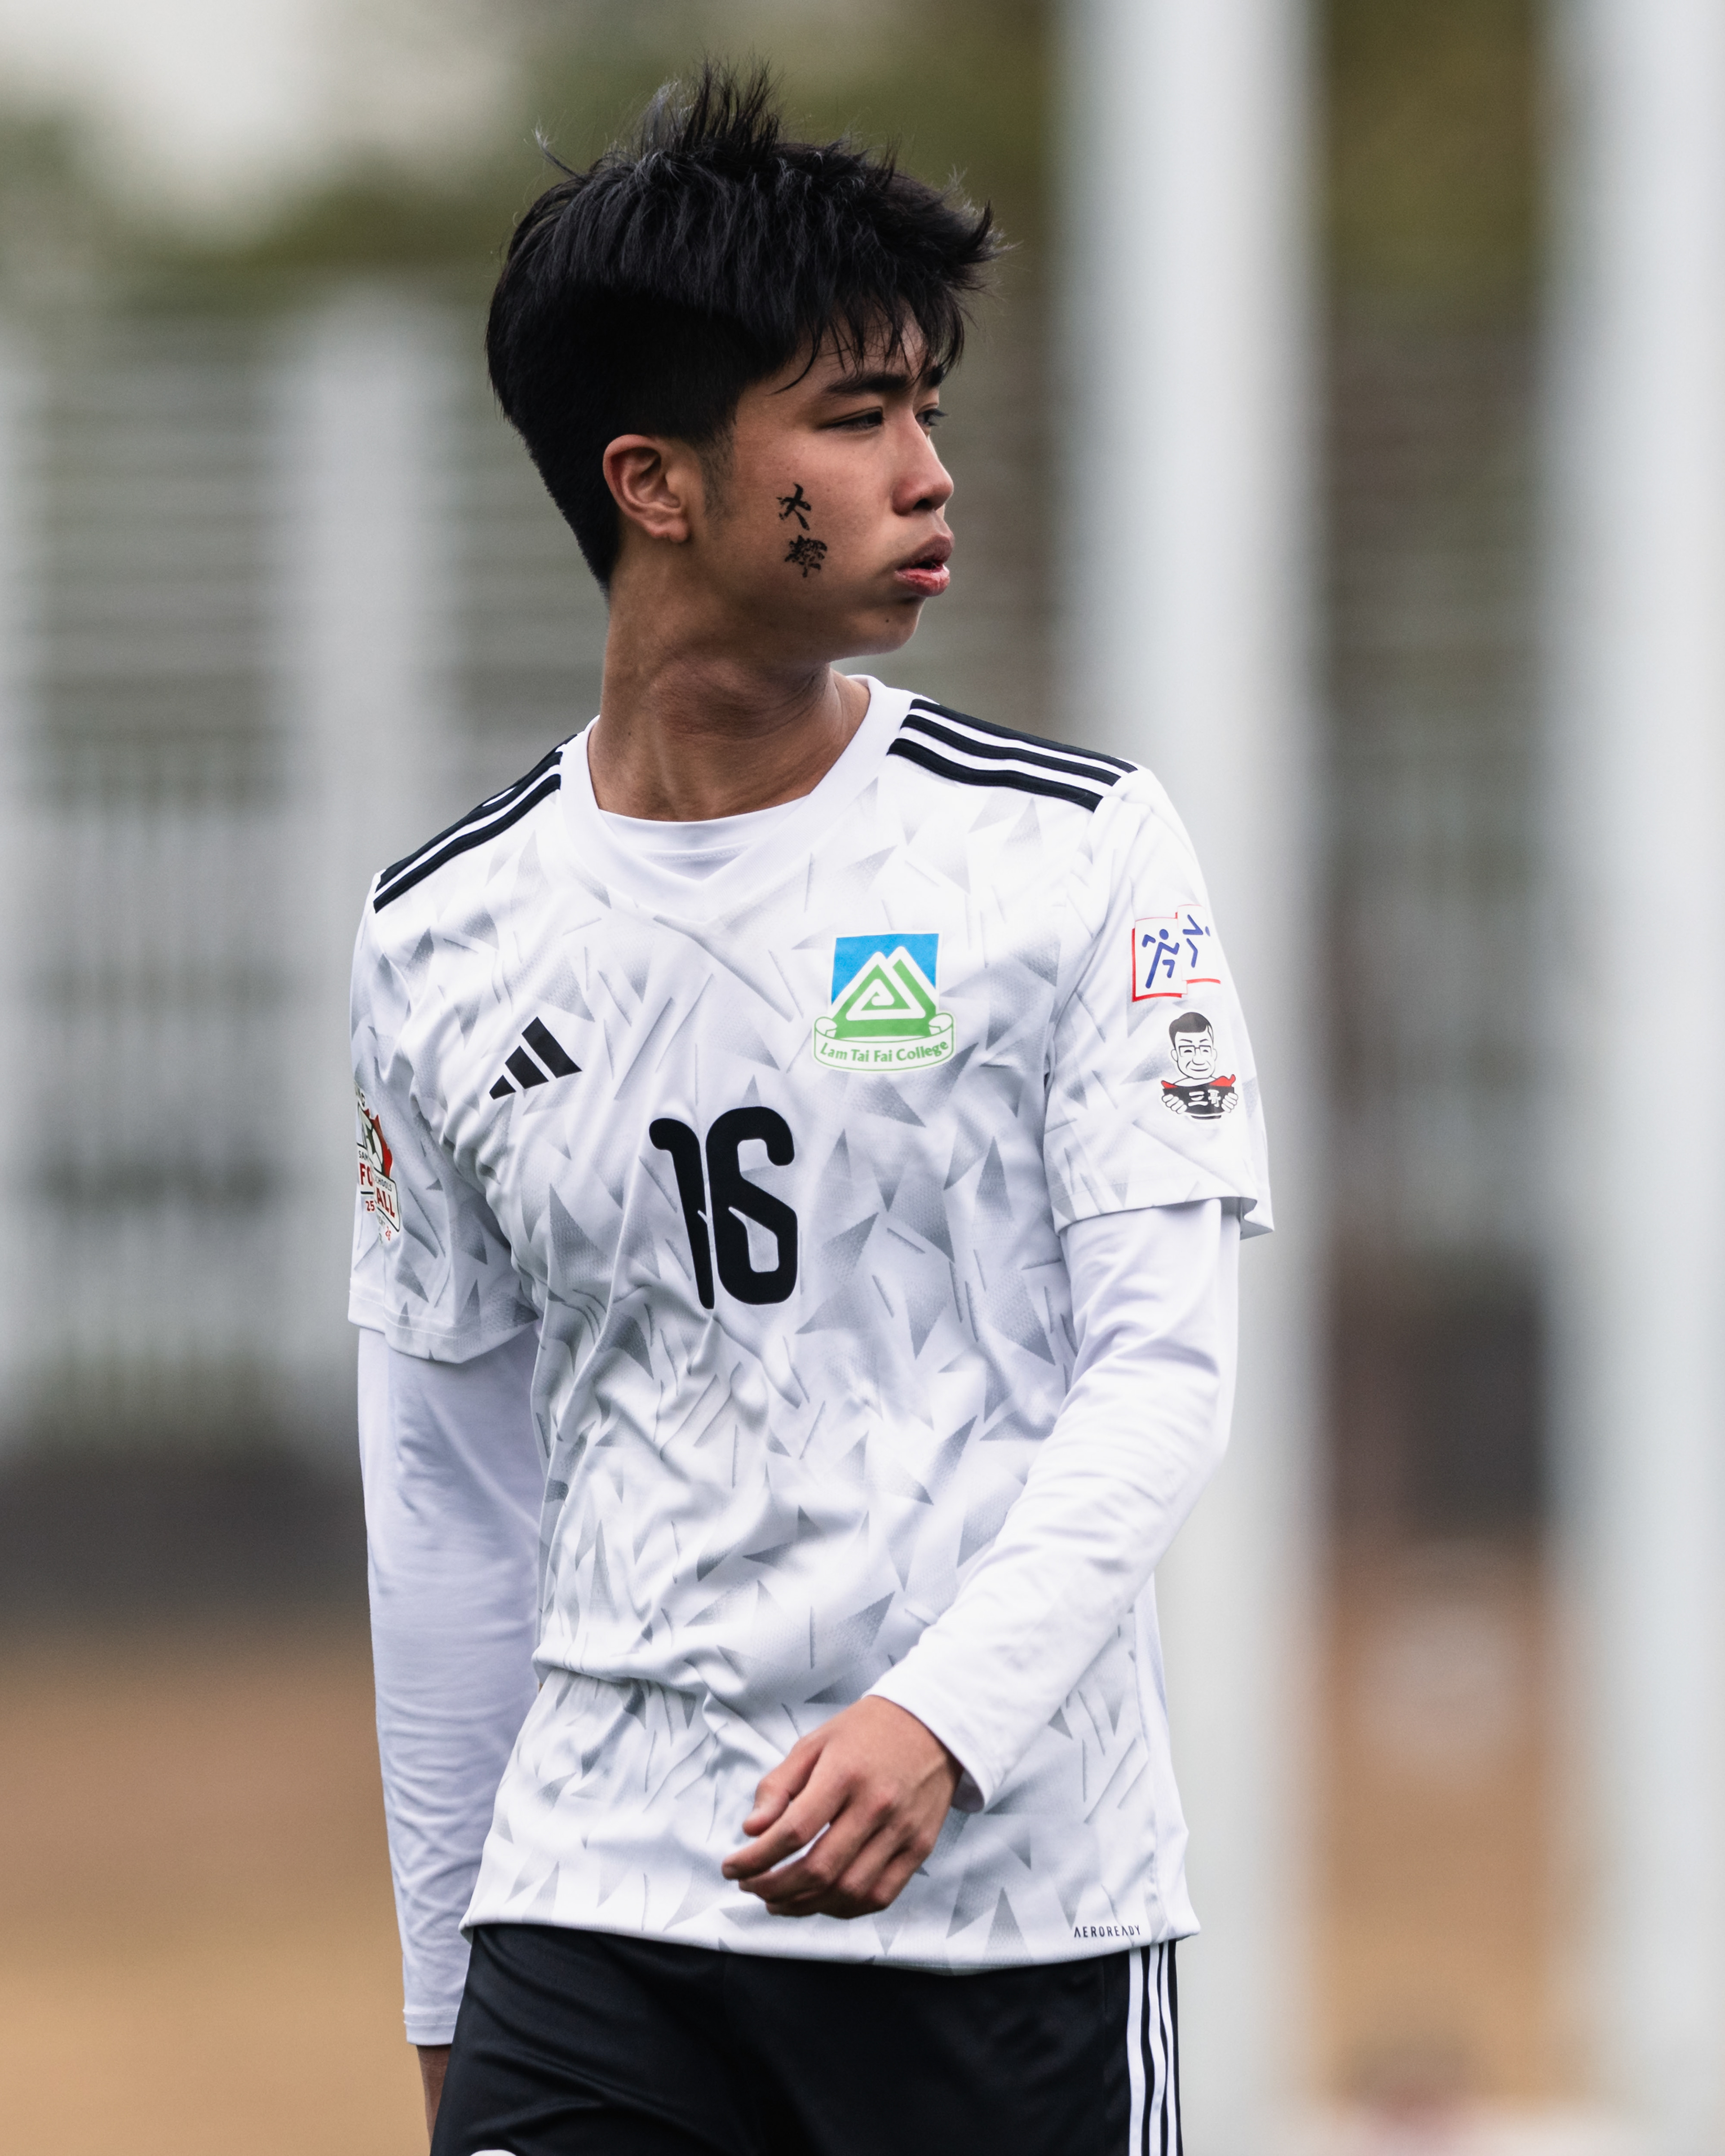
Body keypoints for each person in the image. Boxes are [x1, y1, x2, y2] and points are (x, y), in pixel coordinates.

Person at [349, 62, 1272, 2156]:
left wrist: (940, 1719)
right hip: (595, 1929)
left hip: (1001, 1924)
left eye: (926, 411)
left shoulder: (1073, 858)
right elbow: (450, 1494)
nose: (928, 474)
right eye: (856, 421)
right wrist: (446, 1978)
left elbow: (1165, 1373)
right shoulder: (441, 940)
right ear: (654, 484)